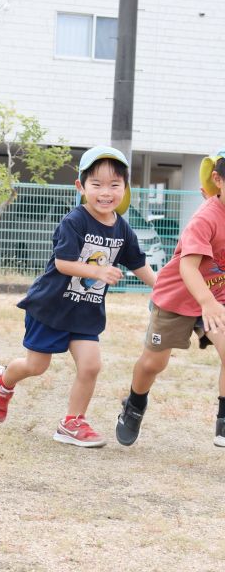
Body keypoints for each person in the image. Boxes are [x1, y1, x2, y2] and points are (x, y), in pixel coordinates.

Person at [0, 146, 156, 447]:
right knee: (36, 366)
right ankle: (2, 382)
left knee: (91, 365)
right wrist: (98, 272)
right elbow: (63, 263)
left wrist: (162, 287)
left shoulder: (123, 229)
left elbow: (138, 263)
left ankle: (71, 422)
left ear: (125, 188)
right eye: (97, 184)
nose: (106, 192)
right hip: (51, 306)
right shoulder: (74, 221)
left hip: (85, 311)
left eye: (114, 185)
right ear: (81, 187)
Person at [116, 151, 225, 447]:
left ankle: (224, 421)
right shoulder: (205, 219)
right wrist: (207, 303)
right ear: (218, 180)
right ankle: (135, 404)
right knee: (153, 363)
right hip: (179, 297)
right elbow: (189, 268)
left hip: (217, 297)